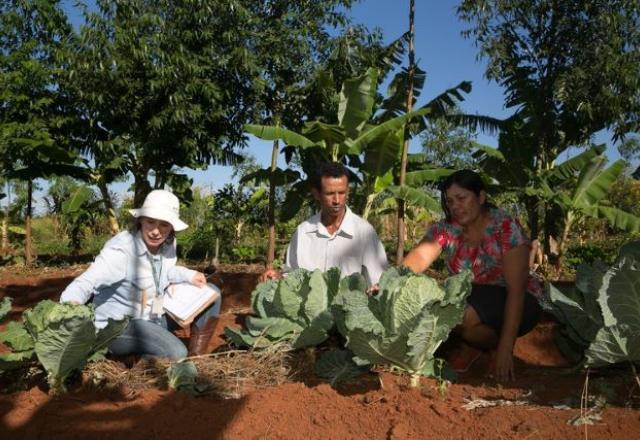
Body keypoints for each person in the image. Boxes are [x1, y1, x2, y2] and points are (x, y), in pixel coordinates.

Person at [403, 170, 542, 382]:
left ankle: (493, 348)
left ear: (481, 197)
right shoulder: (446, 228)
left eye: (462, 198)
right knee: (441, 307)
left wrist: (506, 349)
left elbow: (517, 290)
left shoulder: (503, 225)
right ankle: (474, 346)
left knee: (462, 313)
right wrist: (390, 282)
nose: (455, 206)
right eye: (450, 201)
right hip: (473, 298)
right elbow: (419, 258)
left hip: (519, 301)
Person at [60, 189, 221, 359]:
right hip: (118, 327)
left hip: (154, 317)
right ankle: (137, 359)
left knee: (212, 292)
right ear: (140, 220)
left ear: (171, 228)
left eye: (164, 225)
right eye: (150, 222)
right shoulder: (121, 251)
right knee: (176, 353)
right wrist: (71, 308)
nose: (156, 231)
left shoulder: (167, 244)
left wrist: (188, 275)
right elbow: (85, 282)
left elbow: (166, 270)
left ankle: (196, 356)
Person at [261, 162, 388, 286]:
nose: (337, 200)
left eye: (342, 193)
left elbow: (378, 282)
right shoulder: (303, 233)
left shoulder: (364, 232)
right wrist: (277, 278)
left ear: (348, 191)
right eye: (330, 194)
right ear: (317, 194)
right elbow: (291, 278)